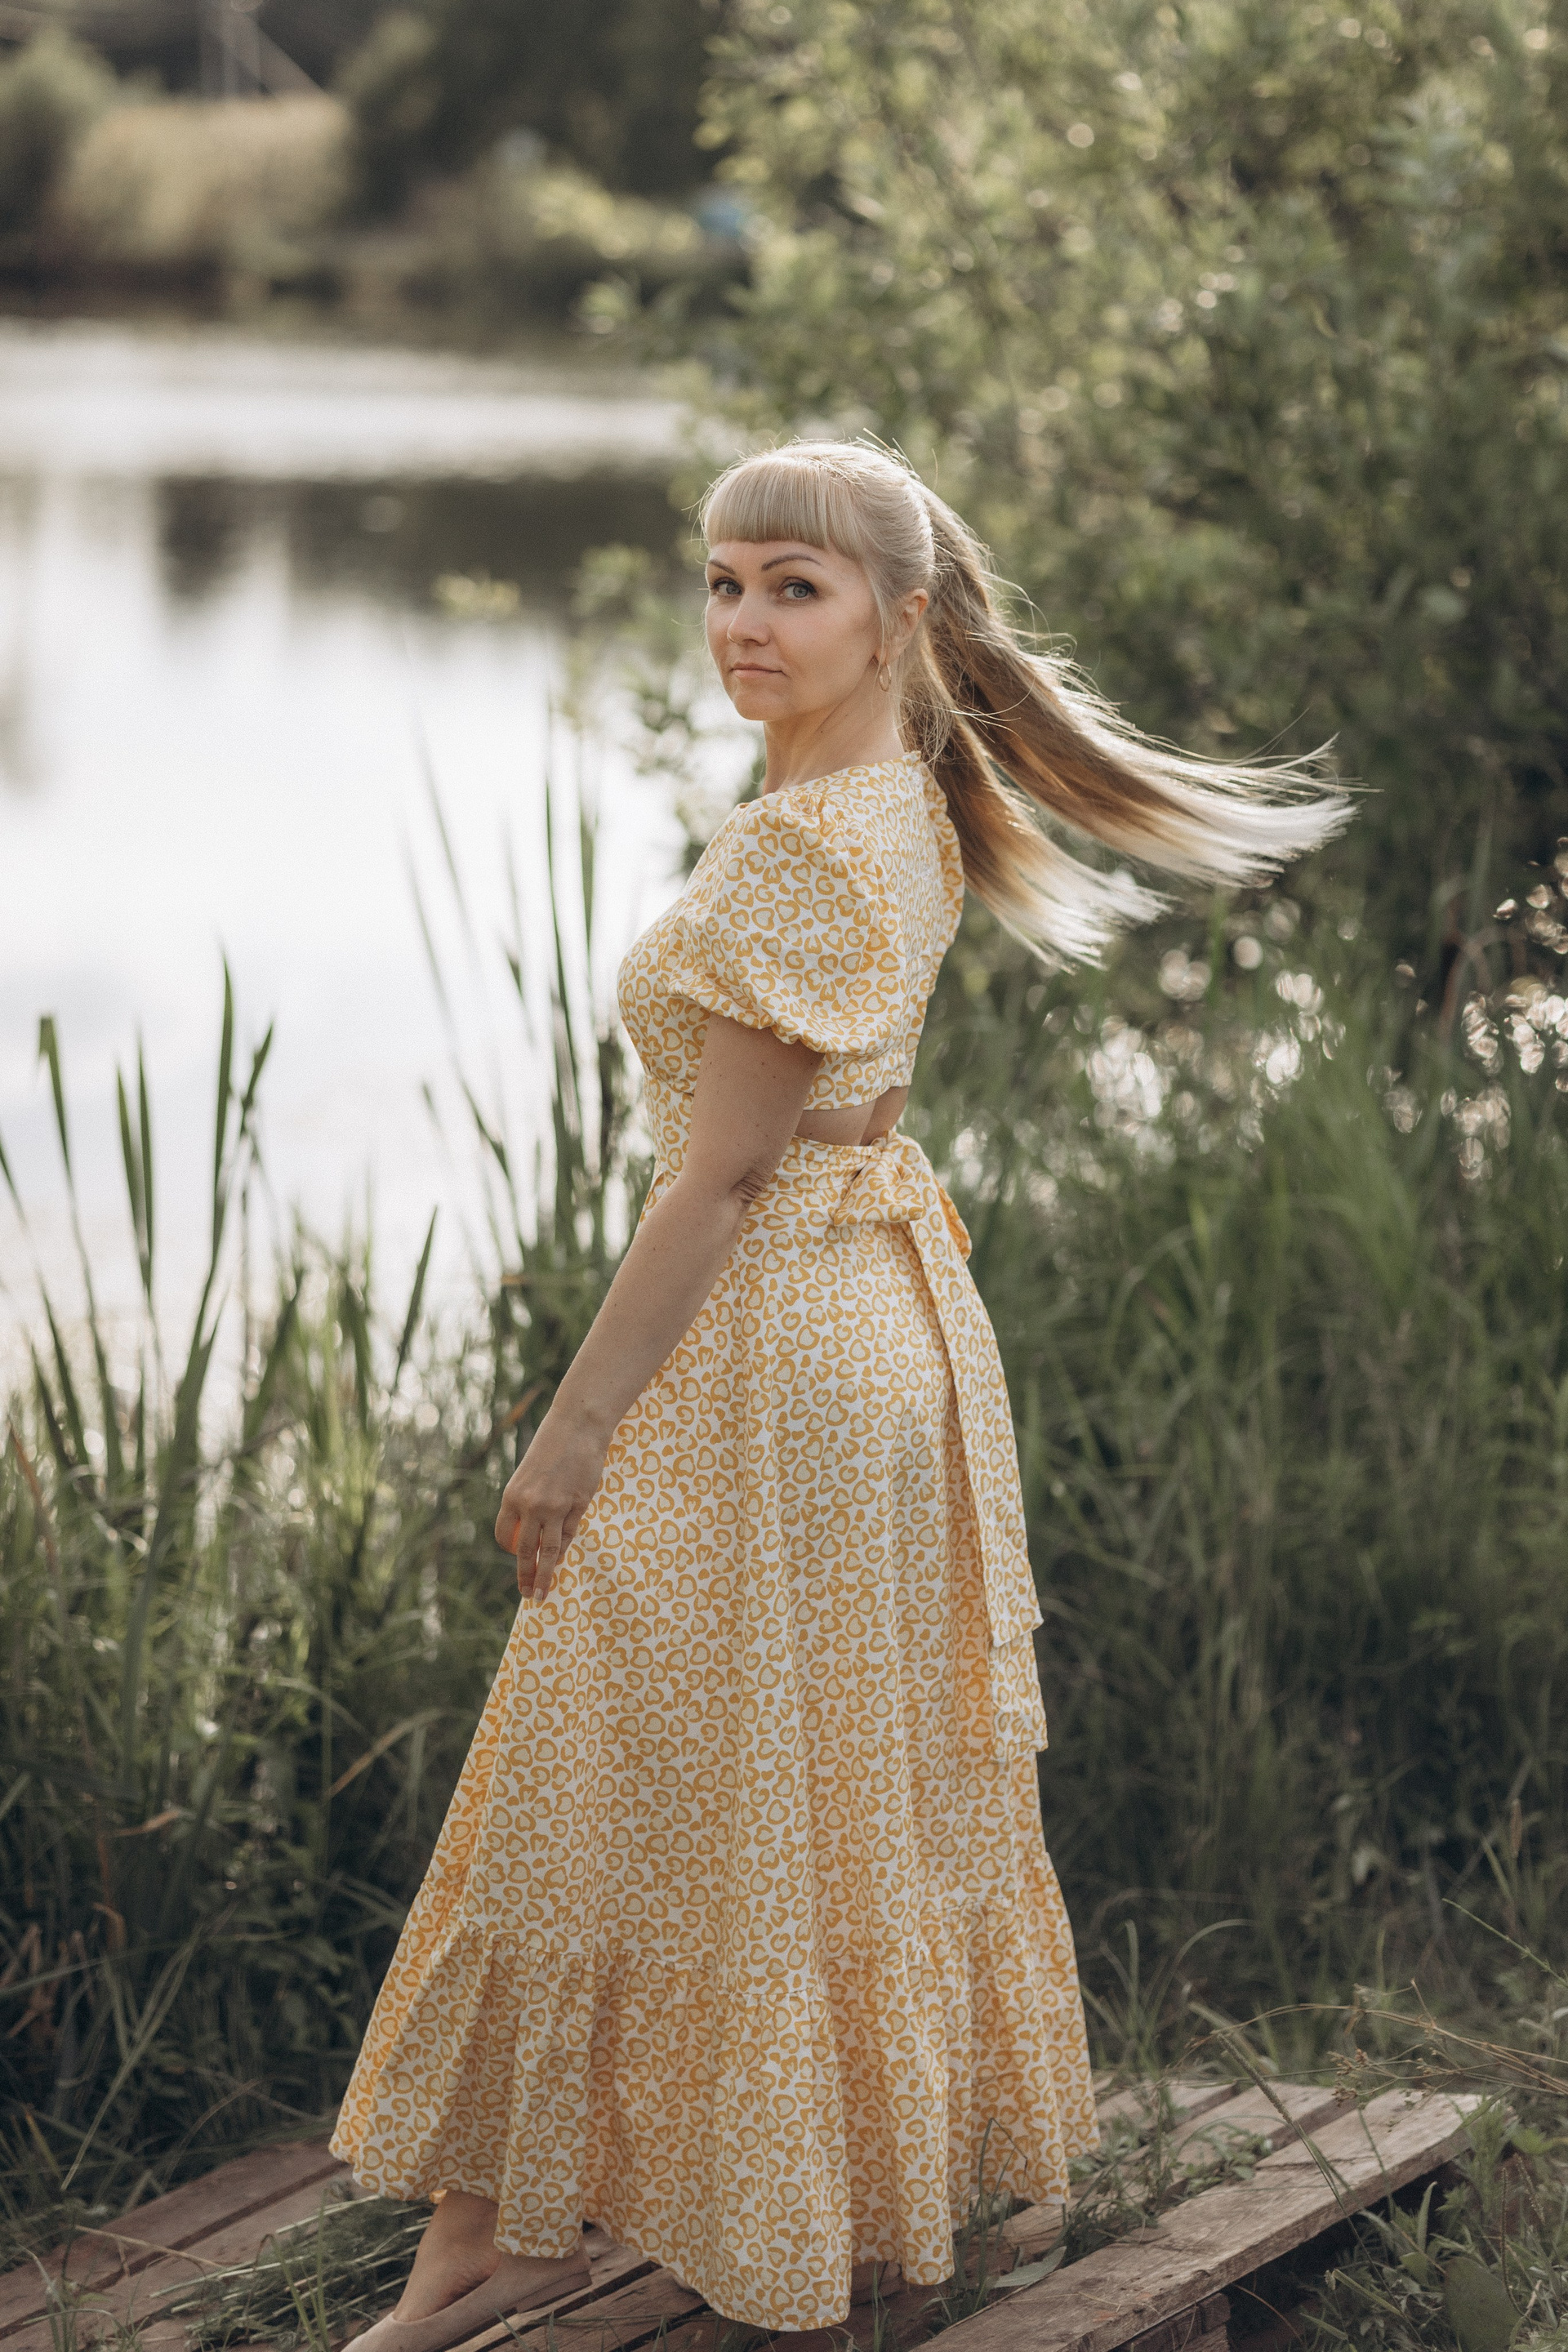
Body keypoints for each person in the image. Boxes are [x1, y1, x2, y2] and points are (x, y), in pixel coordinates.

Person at [332, 440, 1347, 2350]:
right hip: (862, 1329)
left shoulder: (810, 844)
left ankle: (517, 2240)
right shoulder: (893, 805)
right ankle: (633, 2215)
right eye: (724, 582)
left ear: (901, 616)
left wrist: (572, 1431)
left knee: (602, 1750)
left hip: (776, 1349)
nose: (742, 622)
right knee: (790, 1771)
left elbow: (722, 1179)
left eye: (792, 587)